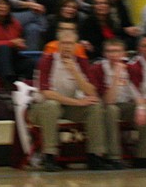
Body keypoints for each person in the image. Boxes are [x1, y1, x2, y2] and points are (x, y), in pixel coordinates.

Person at [27, 21, 112, 171]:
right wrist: (76, 102)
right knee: (51, 105)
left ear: (76, 46)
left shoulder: (81, 62)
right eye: (64, 43)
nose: (67, 47)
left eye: (71, 44)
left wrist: (75, 72)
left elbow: (92, 92)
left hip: (69, 107)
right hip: (41, 108)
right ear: (58, 45)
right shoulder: (47, 61)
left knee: (95, 106)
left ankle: (95, 155)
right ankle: (49, 156)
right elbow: (46, 93)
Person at [92, 37, 146, 168]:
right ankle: (114, 156)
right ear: (105, 54)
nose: (113, 54)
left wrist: (141, 106)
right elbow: (108, 100)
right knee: (112, 110)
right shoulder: (98, 69)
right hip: (104, 106)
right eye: (109, 51)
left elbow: (136, 92)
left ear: (124, 54)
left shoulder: (130, 68)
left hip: (124, 104)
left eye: (117, 51)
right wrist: (116, 76)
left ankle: (144, 156)